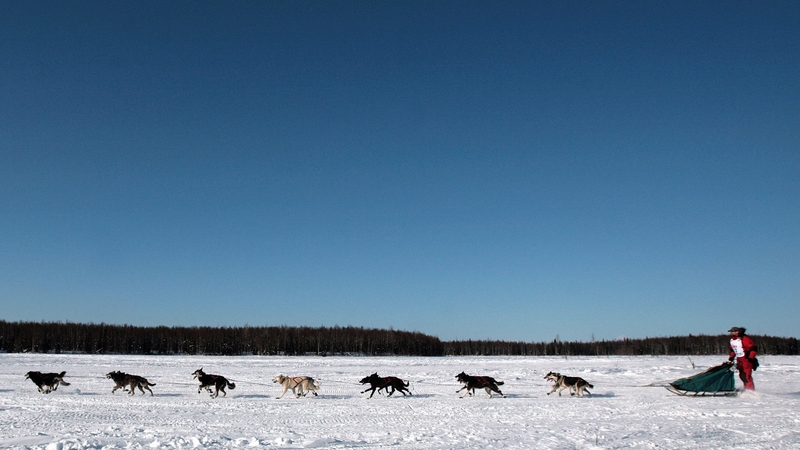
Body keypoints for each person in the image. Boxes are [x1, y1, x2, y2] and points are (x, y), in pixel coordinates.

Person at [728, 326, 757, 391]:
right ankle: (746, 389)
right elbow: (733, 350)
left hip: (746, 359)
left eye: (732, 332)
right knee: (742, 376)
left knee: (747, 376)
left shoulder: (744, 338)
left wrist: (751, 358)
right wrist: (731, 357)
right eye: (731, 332)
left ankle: (750, 391)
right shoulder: (732, 340)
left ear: (737, 332)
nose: (731, 333)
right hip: (739, 359)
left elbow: (753, 349)